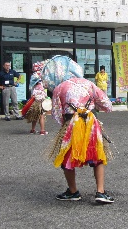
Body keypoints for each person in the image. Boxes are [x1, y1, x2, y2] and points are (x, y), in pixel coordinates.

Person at [41, 56, 115, 203]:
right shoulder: (89, 84)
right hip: (91, 122)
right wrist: (94, 108)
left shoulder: (59, 88)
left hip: (71, 124)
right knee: (97, 155)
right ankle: (100, 192)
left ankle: (73, 191)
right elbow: (107, 105)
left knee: (66, 157)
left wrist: (66, 123)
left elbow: (56, 114)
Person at [24, 62, 48, 135]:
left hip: (34, 98)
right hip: (40, 98)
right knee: (41, 115)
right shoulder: (40, 76)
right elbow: (46, 85)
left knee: (34, 114)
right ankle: (42, 130)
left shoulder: (33, 76)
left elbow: (31, 87)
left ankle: (33, 129)